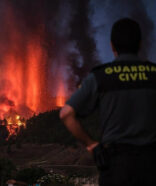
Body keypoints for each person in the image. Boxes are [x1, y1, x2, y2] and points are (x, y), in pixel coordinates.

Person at [60, 18, 156, 186]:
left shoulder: (101, 76)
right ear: (140, 44)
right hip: (151, 165)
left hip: (116, 166)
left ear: (112, 46)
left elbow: (66, 113)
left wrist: (91, 144)